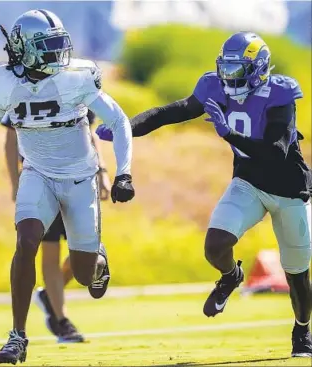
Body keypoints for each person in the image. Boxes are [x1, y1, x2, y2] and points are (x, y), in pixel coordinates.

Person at [96, 31, 312, 358]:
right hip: (249, 182)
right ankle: (230, 276)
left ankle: (302, 330)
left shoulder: (280, 93)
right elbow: (173, 111)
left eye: (239, 70)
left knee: (297, 274)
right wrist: (124, 126)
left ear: (259, 69)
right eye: (227, 69)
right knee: (215, 244)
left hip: (289, 189)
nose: (230, 78)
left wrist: (229, 133)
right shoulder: (214, 86)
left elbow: (276, 151)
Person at [0, 9, 135, 365]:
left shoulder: (77, 77)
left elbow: (117, 120)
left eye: (60, 45)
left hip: (80, 178)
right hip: (37, 174)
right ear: (24, 50)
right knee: (26, 242)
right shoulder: (2, 81)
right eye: (48, 47)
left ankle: (97, 261)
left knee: (86, 275)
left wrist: (123, 172)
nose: (59, 54)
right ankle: (17, 336)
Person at [3, 109, 111, 343]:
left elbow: (89, 133)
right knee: (49, 252)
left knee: (84, 254)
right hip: (41, 181)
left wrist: (102, 172)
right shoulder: (19, 86)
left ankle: (49, 295)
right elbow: (11, 139)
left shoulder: (77, 81)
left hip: (78, 181)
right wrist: (15, 183)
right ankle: (62, 321)